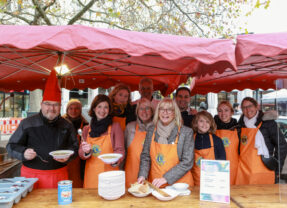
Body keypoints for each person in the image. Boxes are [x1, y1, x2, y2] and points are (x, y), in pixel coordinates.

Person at [6, 69, 78, 189]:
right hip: (31, 176)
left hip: (59, 175)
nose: (52, 108)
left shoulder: (67, 125)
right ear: (41, 104)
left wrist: (69, 156)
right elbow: (11, 146)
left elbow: (75, 146)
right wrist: (23, 153)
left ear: (60, 106)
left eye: (56, 104)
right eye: (48, 104)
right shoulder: (27, 123)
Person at [138, 98, 194, 188]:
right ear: (158, 112)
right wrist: (142, 175)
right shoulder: (151, 130)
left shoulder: (186, 132)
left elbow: (187, 162)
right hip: (156, 184)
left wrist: (166, 178)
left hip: (180, 185)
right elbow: (145, 156)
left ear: (175, 113)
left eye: (169, 109)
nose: (165, 112)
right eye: (162, 109)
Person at [236, 97, 287, 185]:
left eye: (250, 106)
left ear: (256, 107)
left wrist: (277, 167)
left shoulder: (268, 123)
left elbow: (281, 145)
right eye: (244, 107)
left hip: (265, 168)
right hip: (244, 171)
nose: (247, 109)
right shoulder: (240, 125)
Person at [79, 94, 125, 188]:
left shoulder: (115, 127)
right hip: (91, 175)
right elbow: (81, 153)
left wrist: (116, 160)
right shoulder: (86, 129)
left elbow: (120, 150)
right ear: (94, 108)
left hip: (110, 174)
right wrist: (86, 152)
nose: (102, 110)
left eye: (106, 107)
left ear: (109, 109)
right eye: (99, 106)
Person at [124, 98, 154, 187]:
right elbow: (124, 152)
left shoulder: (157, 127)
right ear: (137, 111)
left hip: (152, 176)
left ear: (152, 111)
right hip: (131, 174)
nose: (144, 111)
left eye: (148, 108)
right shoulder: (130, 127)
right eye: (141, 108)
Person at [191, 111, 226, 186]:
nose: (204, 124)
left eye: (207, 121)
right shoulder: (190, 139)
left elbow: (222, 163)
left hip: (212, 182)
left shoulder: (217, 140)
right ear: (196, 123)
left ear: (211, 124)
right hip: (194, 180)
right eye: (201, 121)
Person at [62, 99, 88, 188]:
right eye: (71, 108)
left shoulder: (85, 124)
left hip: (80, 159)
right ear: (67, 110)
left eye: (76, 108)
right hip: (65, 157)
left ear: (80, 110)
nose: (73, 111)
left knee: (78, 181)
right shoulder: (61, 123)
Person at [214, 101, 239, 185]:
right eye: (220, 110)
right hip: (217, 165)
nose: (223, 113)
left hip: (234, 166)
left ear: (232, 112)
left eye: (226, 110)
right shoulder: (212, 127)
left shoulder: (238, 128)